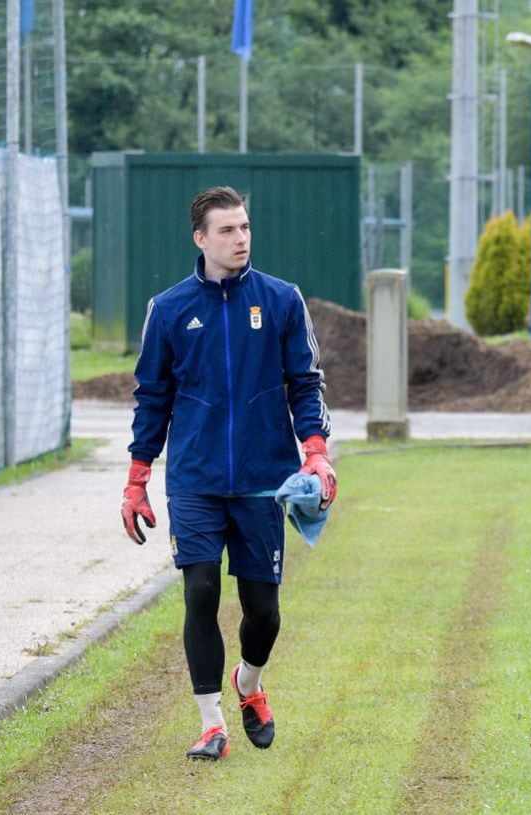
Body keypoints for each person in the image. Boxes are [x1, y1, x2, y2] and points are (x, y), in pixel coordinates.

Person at [120, 186, 337, 761]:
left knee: (262, 609)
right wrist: (137, 478)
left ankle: (249, 685)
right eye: (227, 230)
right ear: (201, 238)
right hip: (193, 479)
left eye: (244, 228)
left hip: (265, 479)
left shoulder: (283, 300)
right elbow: (151, 398)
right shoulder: (167, 310)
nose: (240, 239)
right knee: (200, 591)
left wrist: (315, 452)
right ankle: (211, 724)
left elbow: (306, 384)